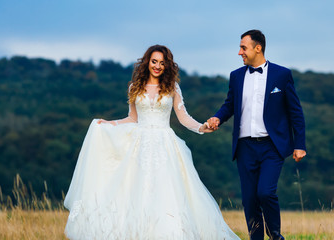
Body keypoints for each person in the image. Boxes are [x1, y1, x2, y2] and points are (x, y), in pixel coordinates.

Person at [64, 45, 240, 239]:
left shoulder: (172, 87)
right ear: (147, 62)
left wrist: (201, 127)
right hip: (139, 145)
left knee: (166, 192)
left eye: (162, 63)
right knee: (135, 191)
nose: (157, 66)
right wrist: (109, 123)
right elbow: (132, 117)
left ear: (167, 66)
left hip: (165, 144)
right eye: (154, 61)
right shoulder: (134, 86)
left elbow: (183, 117)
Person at [207, 30, 306, 240]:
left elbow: (295, 112)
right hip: (245, 148)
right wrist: (217, 118)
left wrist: (300, 144)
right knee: (250, 200)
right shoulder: (236, 76)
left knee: (265, 192)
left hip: (273, 146)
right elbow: (229, 105)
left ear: (258, 48)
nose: (239, 52)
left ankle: (276, 235)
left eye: (243, 47)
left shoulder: (282, 75)